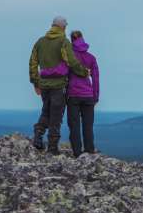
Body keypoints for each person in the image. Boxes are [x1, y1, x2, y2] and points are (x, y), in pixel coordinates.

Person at [29, 16, 89, 154]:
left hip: (44, 85)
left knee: (46, 111)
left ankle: (38, 134)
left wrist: (35, 82)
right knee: (56, 115)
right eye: (65, 26)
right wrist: (84, 72)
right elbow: (72, 62)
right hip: (59, 85)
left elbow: (32, 63)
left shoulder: (40, 42)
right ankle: (52, 147)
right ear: (62, 27)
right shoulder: (63, 41)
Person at [39, 30, 99, 157]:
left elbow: (59, 71)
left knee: (74, 125)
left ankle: (77, 152)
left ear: (71, 41)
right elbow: (96, 79)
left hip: (73, 96)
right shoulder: (91, 58)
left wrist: (44, 72)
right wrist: (95, 96)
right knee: (88, 125)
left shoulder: (69, 57)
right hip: (88, 96)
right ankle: (89, 150)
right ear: (83, 39)